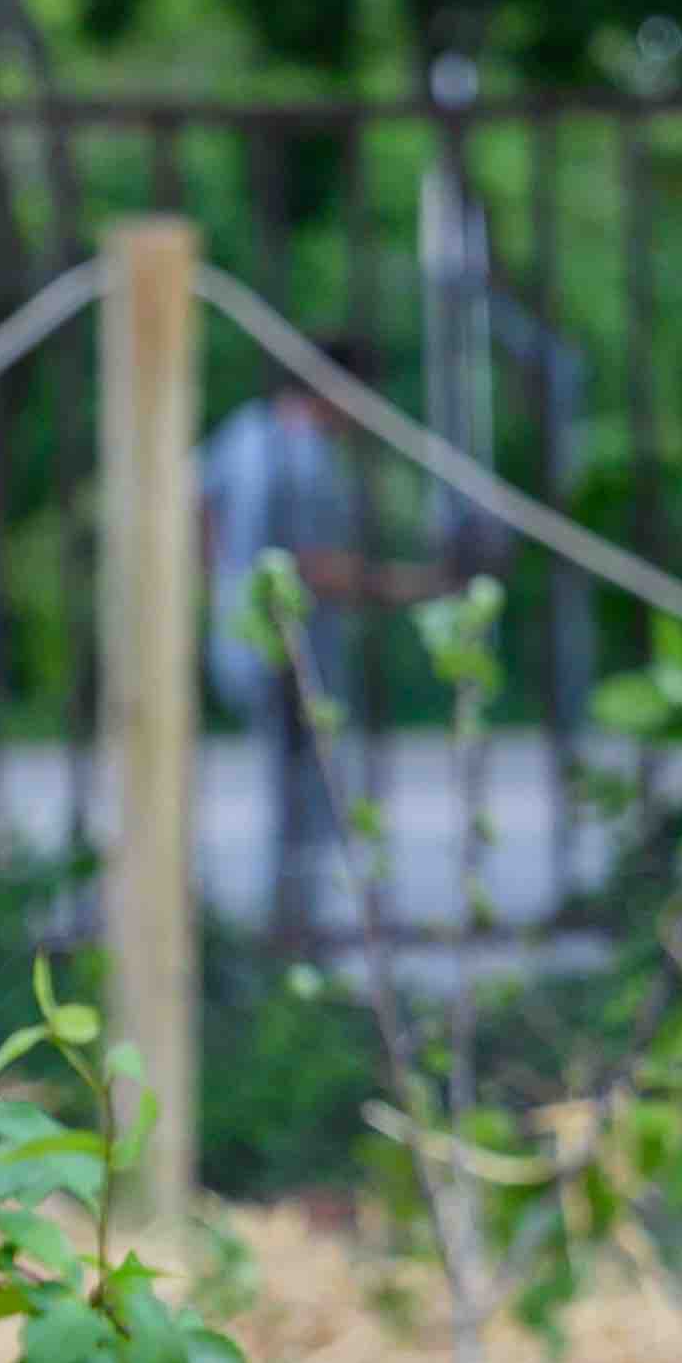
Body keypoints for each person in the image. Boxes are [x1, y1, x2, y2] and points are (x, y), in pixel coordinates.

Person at [199, 366, 454, 944]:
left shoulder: (246, 430)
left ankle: (288, 920)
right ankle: (294, 928)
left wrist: (222, 580)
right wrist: (415, 586)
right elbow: (318, 567)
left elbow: (199, 501)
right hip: (289, 652)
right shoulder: (305, 459)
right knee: (305, 794)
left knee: (290, 784)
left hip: (237, 639)